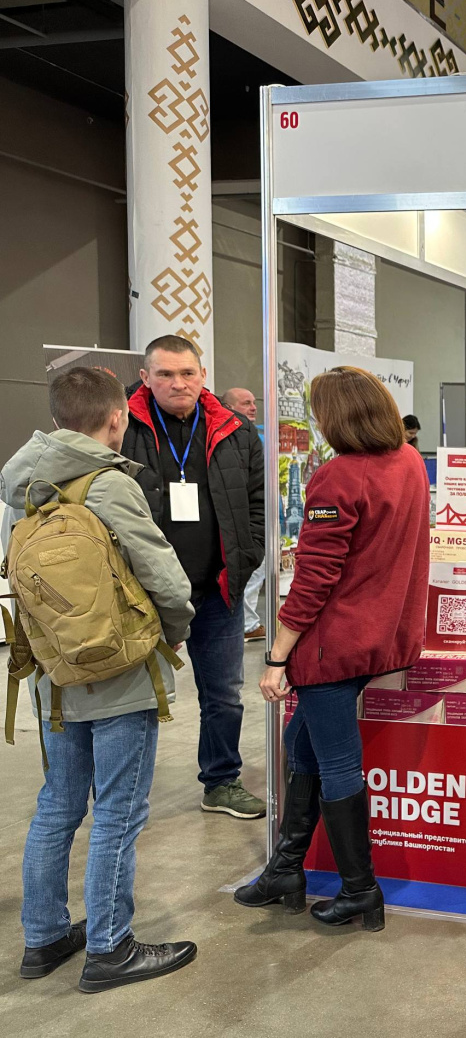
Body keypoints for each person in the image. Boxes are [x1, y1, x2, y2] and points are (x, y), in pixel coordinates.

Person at [3, 367, 198, 992]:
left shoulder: (18, 488)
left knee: (58, 804)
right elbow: (164, 576)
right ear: (118, 417)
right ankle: (111, 949)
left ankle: (43, 937)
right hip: (121, 672)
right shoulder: (109, 485)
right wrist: (174, 630)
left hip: (53, 675)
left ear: (56, 419)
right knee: (118, 810)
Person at [237, 366, 430, 930]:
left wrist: (277, 656)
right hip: (381, 637)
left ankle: (360, 890)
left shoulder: (337, 477)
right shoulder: (409, 463)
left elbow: (314, 580)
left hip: (334, 646)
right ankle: (286, 869)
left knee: (338, 761)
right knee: (301, 742)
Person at [123, 336, 266, 820]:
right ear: (145, 378)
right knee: (134, 696)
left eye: (187, 373)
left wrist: (245, 559)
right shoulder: (123, 427)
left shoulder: (236, 431)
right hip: (142, 593)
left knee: (224, 695)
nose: (178, 383)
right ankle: (123, 795)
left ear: (203, 375)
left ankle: (221, 782)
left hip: (217, 589)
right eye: (165, 374)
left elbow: (257, 503)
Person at [221, 387, 267, 642]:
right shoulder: (228, 438)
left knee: (258, 573)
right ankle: (248, 624)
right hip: (240, 522)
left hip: (260, 516)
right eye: (246, 403)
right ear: (228, 407)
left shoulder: (257, 435)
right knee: (250, 574)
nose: (253, 407)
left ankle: (249, 622)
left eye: (253, 402)